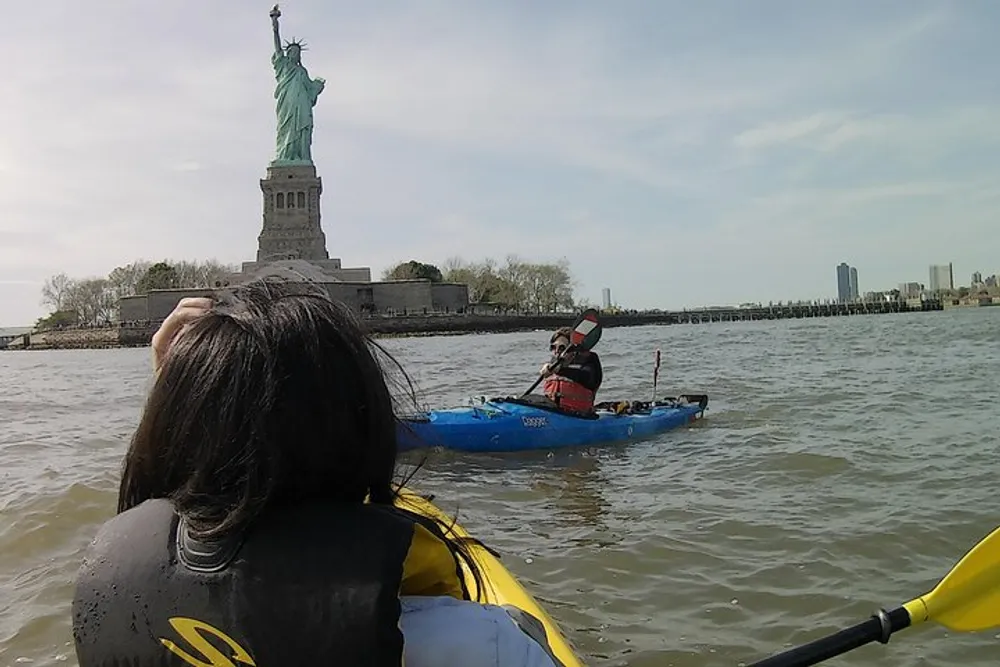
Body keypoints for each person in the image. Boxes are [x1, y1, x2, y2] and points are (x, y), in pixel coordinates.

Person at [71, 279, 559, 667]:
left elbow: (153, 510)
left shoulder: (115, 597)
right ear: (363, 429)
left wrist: (176, 391)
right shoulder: (475, 645)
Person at [539, 326, 603, 414]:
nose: (556, 351)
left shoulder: (589, 362)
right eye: (553, 347)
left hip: (580, 416)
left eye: (562, 348)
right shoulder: (552, 364)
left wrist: (557, 370)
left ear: (573, 350)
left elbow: (587, 377)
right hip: (552, 414)